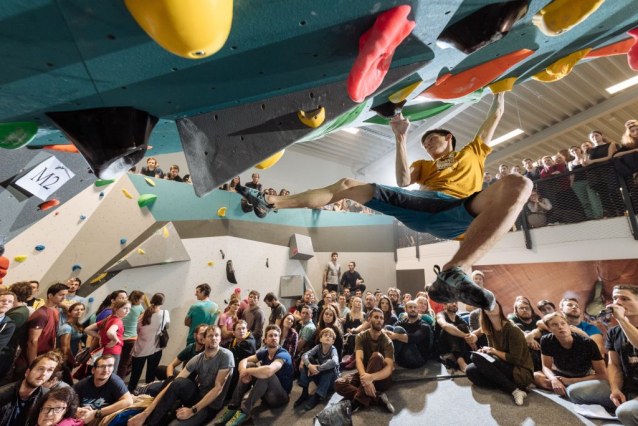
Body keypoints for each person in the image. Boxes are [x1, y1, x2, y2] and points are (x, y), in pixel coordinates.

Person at [129, 326, 234, 426]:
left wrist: (192, 410)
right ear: (204, 339)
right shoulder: (198, 358)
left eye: (217, 335)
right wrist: (145, 413)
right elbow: (173, 383)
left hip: (210, 405)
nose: (214, 338)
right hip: (198, 395)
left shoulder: (226, 356)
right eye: (211, 335)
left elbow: (218, 389)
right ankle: (152, 422)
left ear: (220, 339)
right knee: (177, 382)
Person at [567, 284, 638, 426]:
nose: (617, 303)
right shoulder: (613, 332)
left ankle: (628, 410)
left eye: (625, 298)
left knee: (625, 413)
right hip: (628, 386)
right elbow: (614, 364)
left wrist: (622, 319)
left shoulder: (621, 322)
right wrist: (615, 388)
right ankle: (628, 405)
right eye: (615, 298)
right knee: (574, 392)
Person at [215, 325, 293, 426]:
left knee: (266, 374)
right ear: (265, 340)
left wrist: (248, 371)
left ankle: (244, 411)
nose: (273, 338)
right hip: (265, 394)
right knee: (250, 365)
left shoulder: (283, 354)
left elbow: (269, 371)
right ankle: (233, 406)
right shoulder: (264, 352)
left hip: (279, 398)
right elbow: (244, 360)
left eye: (276, 335)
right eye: (270, 336)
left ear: (279, 338)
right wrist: (243, 371)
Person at [465, 301, 534, 406]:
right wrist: (485, 351)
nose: (490, 306)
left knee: (475, 357)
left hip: (520, 370)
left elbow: (514, 359)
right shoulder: (489, 327)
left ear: (499, 308)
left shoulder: (512, 329)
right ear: (484, 311)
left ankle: (514, 390)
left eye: (494, 304)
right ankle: (508, 385)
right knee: (470, 370)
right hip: (504, 364)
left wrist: (491, 351)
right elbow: (487, 346)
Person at [533, 313, 607, 399]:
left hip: (584, 377)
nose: (560, 327)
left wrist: (571, 381)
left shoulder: (587, 342)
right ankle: (565, 389)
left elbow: (603, 375)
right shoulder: (546, 340)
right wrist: (554, 380)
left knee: (594, 385)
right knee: (535, 376)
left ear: (568, 325)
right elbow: (546, 367)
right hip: (561, 375)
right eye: (554, 325)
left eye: (563, 323)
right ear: (549, 329)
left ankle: (568, 390)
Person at [334, 308, 395, 413]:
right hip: (365, 373)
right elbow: (359, 359)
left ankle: (356, 402)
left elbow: (389, 369)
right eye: (376, 317)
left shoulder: (387, 341)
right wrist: (366, 380)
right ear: (369, 319)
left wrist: (371, 377)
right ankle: (377, 398)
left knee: (376, 356)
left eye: (381, 318)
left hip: (381, 378)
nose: (379, 320)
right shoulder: (361, 336)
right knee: (338, 383)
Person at [0, 352, 59, 426]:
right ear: (27, 372)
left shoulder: (46, 397)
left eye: (49, 370)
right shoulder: (3, 394)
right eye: (40, 369)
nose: (44, 373)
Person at [128, 293, 170, 392]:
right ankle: (147, 393)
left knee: (135, 375)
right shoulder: (164, 313)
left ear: (151, 300)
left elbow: (137, 330)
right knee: (150, 374)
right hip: (155, 349)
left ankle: (129, 393)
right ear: (162, 302)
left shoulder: (143, 314)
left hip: (140, 349)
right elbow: (167, 326)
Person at [20, 283, 68, 369]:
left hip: (44, 357)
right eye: (61, 295)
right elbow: (32, 341)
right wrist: (33, 364)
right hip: (29, 360)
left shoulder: (55, 312)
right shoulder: (41, 314)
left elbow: (53, 336)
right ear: (50, 295)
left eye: (65, 295)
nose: (64, 298)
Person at [73, 354, 133, 423]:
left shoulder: (115, 381)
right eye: (102, 366)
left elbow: (128, 401)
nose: (106, 370)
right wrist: (77, 410)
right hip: (83, 417)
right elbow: (64, 399)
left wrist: (96, 413)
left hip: (104, 420)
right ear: (93, 370)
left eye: (110, 366)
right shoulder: (84, 383)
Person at [294, 328, 339, 410]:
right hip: (321, 377)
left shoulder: (333, 349)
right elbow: (305, 355)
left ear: (333, 341)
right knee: (308, 360)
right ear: (320, 339)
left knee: (330, 363)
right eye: (325, 335)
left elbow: (334, 362)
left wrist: (319, 368)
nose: (328, 337)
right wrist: (309, 365)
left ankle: (317, 395)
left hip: (331, 382)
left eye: (330, 336)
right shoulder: (318, 347)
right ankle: (304, 392)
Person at [85, 300, 131, 373]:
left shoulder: (108, 319)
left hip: (104, 351)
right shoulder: (118, 321)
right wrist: (115, 340)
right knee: (110, 375)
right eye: (125, 308)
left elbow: (87, 329)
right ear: (116, 309)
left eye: (129, 309)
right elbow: (110, 332)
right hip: (113, 352)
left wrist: (100, 337)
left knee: (102, 374)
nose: (127, 311)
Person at [383, 300, 431, 369]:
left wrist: (395, 336)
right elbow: (388, 330)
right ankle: (388, 360)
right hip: (403, 357)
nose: (413, 309)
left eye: (415, 307)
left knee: (399, 329)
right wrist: (385, 331)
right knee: (388, 327)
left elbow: (415, 338)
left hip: (417, 359)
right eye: (410, 307)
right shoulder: (403, 321)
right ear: (405, 309)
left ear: (418, 310)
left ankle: (389, 362)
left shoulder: (424, 325)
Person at [0, 283, 31, 381]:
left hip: (4, 354)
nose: (5, 303)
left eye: (9, 301)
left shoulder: (11, 321)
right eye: (3, 300)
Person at [435, 302, 473, 372]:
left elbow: (469, 332)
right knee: (450, 328)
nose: (454, 304)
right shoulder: (441, 314)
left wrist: (470, 339)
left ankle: (468, 356)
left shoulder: (459, 318)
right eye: (451, 302)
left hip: (457, 346)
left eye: (455, 302)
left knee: (463, 327)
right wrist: (464, 335)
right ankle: (461, 361)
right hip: (444, 346)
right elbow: (444, 325)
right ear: (445, 306)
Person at [568, 145, 603, 221]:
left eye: (576, 149)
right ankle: (590, 217)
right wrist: (571, 185)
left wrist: (583, 160)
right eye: (572, 151)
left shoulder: (586, 157)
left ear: (579, 150)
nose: (575, 151)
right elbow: (572, 174)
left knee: (593, 198)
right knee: (584, 201)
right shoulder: (570, 163)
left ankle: (598, 216)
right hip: (577, 183)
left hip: (589, 180)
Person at [508, 296, 542, 371]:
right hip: (521, 345)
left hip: (538, 342)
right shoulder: (512, 318)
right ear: (516, 311)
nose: (524, 310)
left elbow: (543, 328)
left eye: (527, 308)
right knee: (519, 327)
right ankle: (536, 369)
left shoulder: (536, 318)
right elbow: (511, 325)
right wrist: (527, 336)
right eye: (521, 308)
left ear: (531, 310)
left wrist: (531, 335)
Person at [225, 321, 257, 401]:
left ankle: (235, 401)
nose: (241, 331)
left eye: (243, 328)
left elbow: (231, 352)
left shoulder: (249, 342)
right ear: (234, 333)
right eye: (238, 329)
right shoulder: (234, 341)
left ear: (247, 330)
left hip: (244, 374)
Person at [117, 290, 145, 379]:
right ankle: (119, 382)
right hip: (131, 338)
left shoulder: (124, 306)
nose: (143, 301)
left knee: (116, 362)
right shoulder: (139, 308)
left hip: (119, 337)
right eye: (142, 299)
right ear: (138, 299)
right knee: (124, 364)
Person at [57, 303, 85, 371]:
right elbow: (65, 348)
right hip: (64, 360)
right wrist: (73, 361)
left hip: (71, 358)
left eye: (81, 309)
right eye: (76, 310)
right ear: (69, 312)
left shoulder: (78, 326)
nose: (79, 311)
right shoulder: (66, 327)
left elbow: (77, 341)